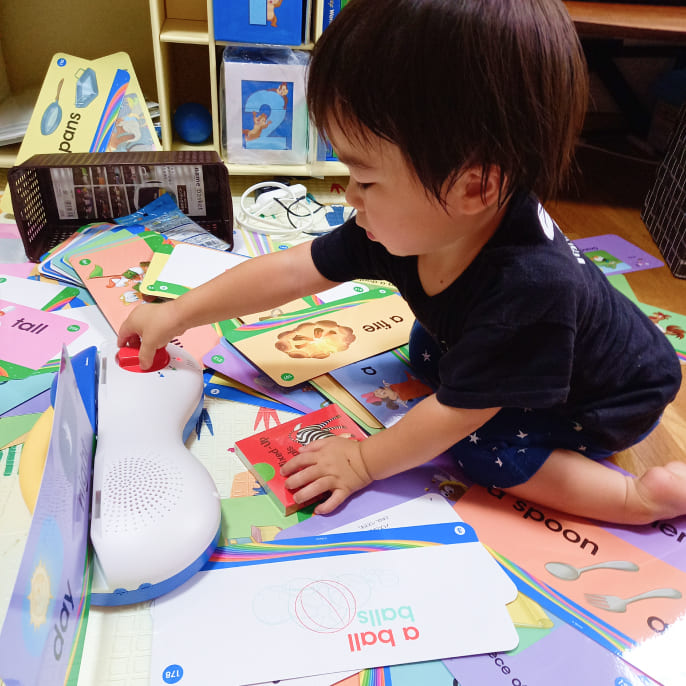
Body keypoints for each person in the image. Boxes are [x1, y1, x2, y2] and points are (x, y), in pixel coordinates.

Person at [118, 0, 685, 524]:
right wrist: (179, 312)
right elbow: (293, 269)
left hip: (602, 400)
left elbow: (458, 414)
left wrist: (364, 461)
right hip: (524, 346)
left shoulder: (528, 290)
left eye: (365, 179)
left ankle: (636, 500)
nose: (348, 196)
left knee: (481, 447)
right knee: (424, 346)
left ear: (475, 187)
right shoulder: (424, 222)